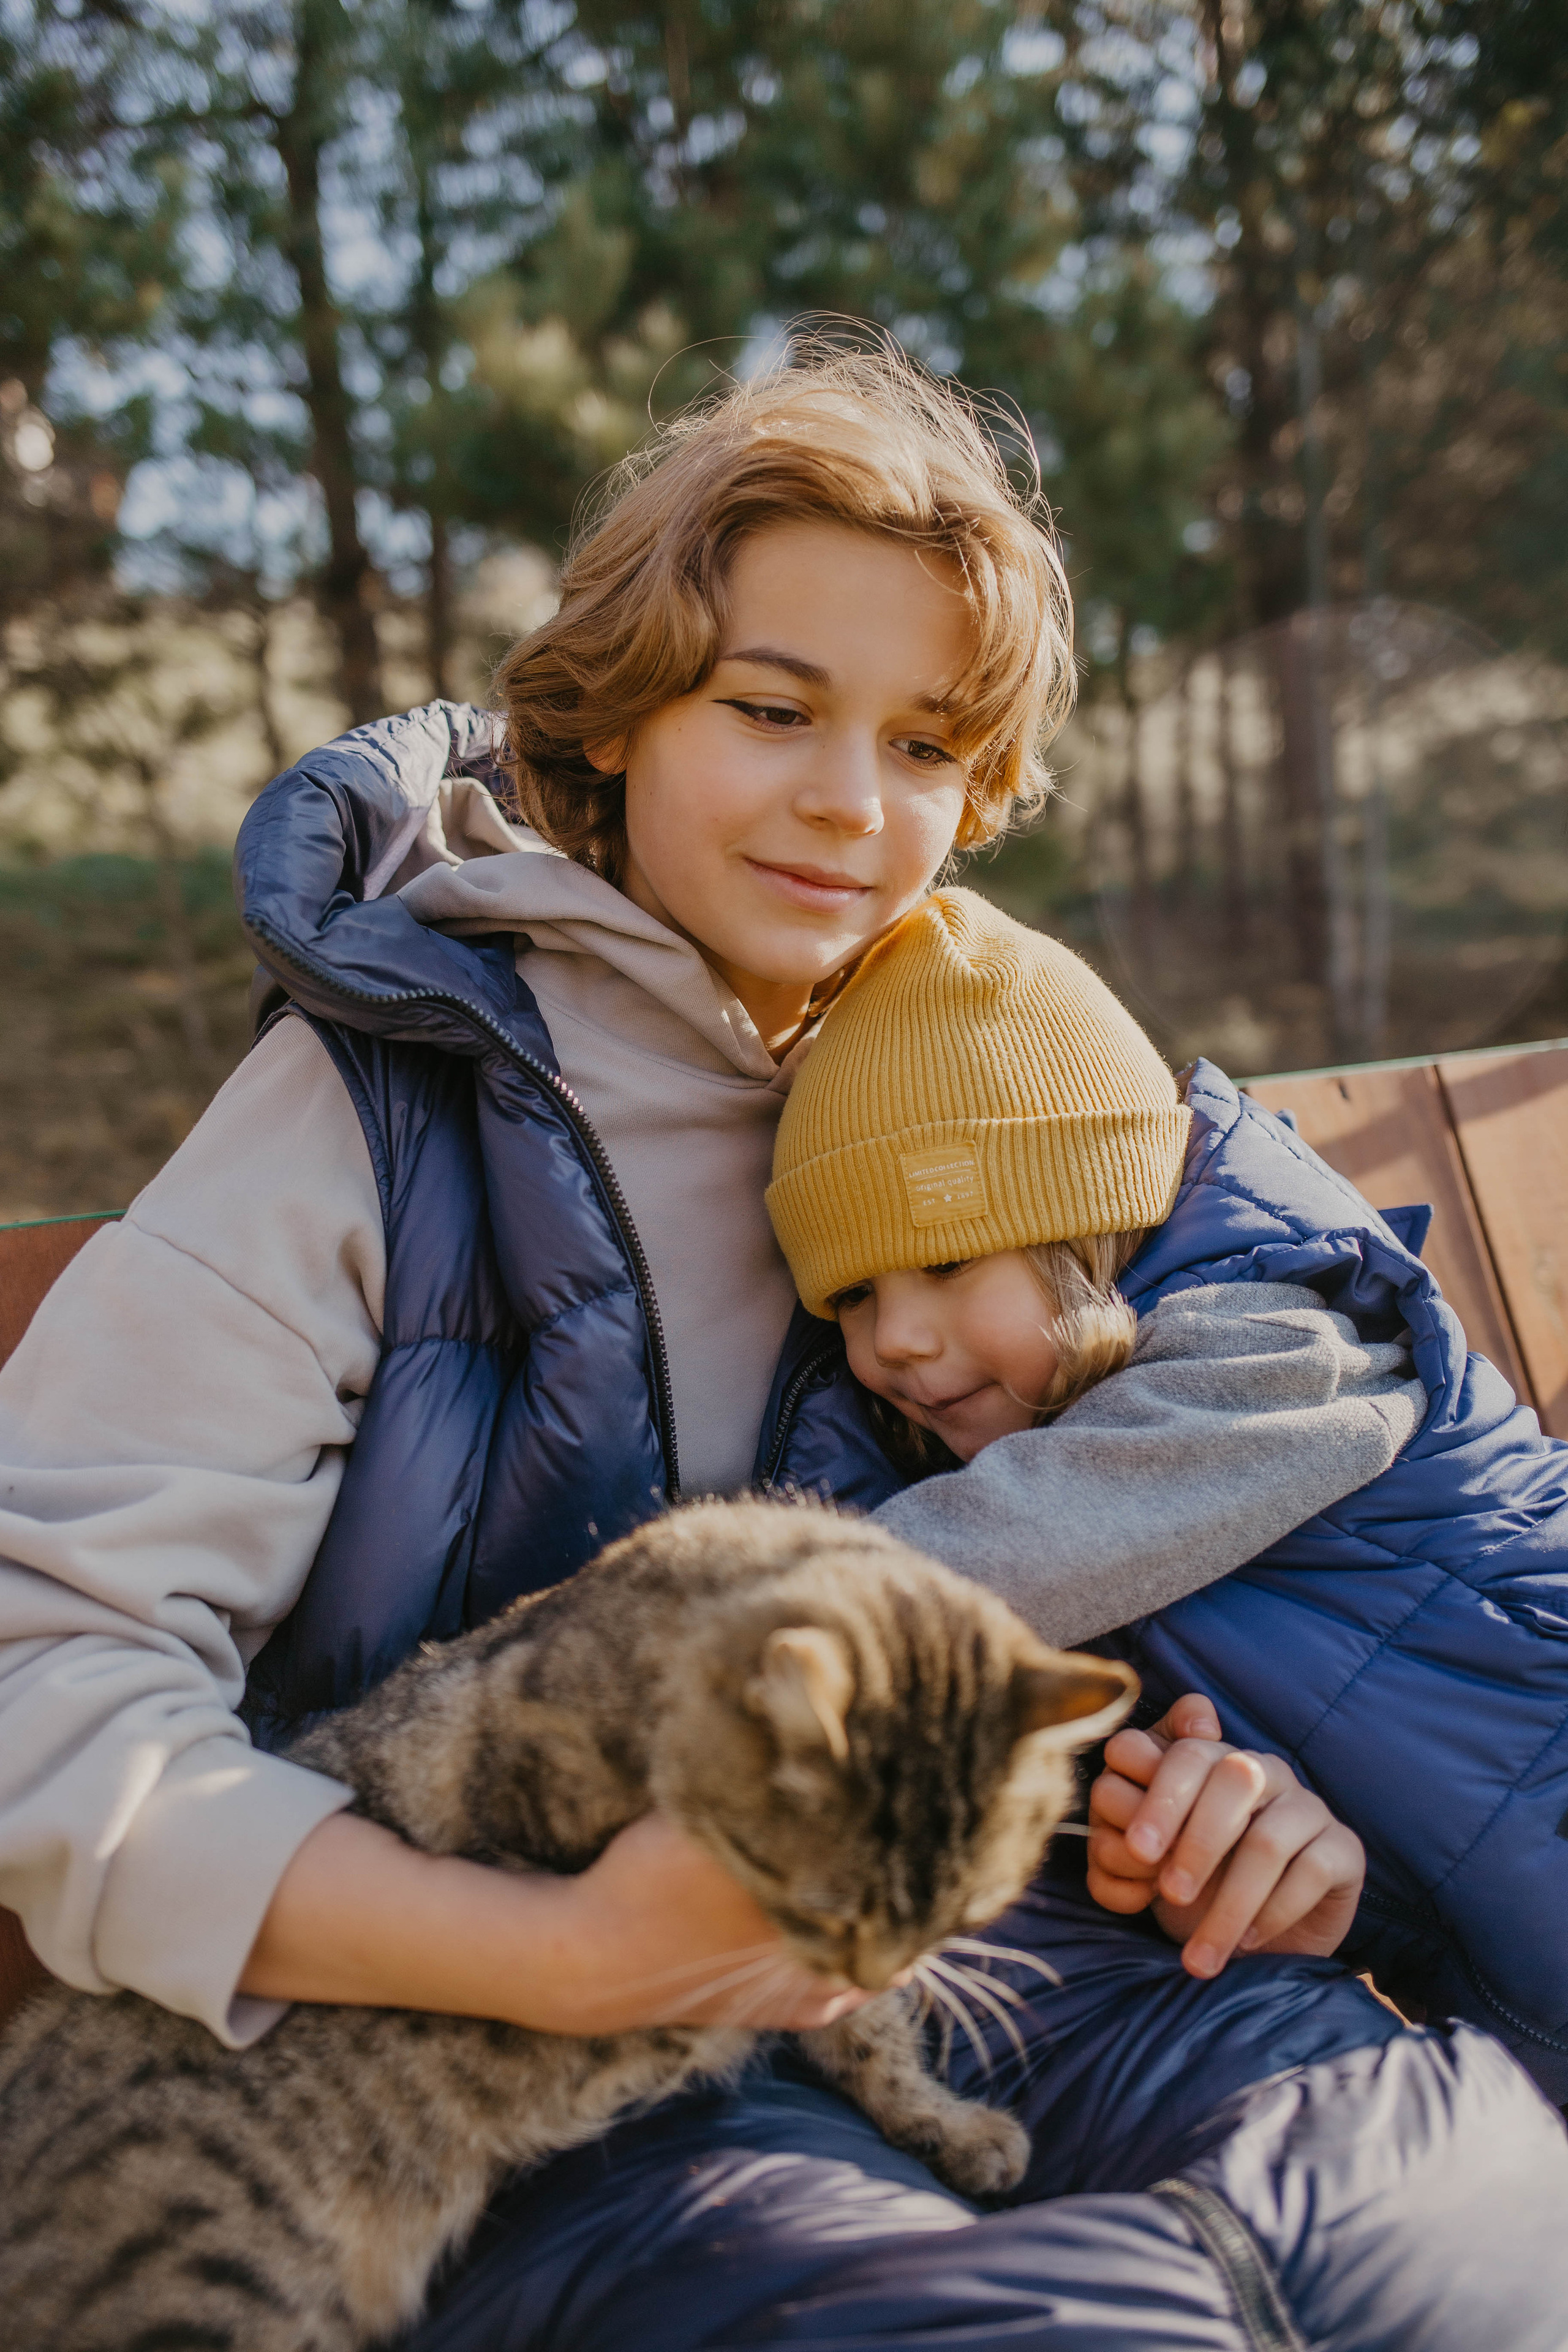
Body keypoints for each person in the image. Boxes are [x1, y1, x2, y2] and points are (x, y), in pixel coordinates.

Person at [1, 342, 1564, 2350]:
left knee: (1471, 2199)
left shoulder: (990, 1079)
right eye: (770, 711)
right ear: (625, 716)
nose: (851, 808)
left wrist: (1257, 1797)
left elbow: (1273, 1500)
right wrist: (562, 1953)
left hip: (1032, 1969)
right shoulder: (371, 1111)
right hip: (550, 2088)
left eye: (925, 749)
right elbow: (43, 1679)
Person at [769, 884, 1568, 2086]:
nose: (895, 1343)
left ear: (1091, 1231)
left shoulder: (1278, 1345)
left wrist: (740, 1626)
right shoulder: (1080, 1444)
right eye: (853, 1300)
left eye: (939, 1262)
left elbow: (1001, 1551)